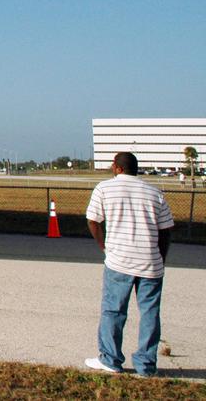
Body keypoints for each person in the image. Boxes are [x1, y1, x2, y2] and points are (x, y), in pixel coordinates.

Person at [84, 151, 174, 376]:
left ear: (117, 167)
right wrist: (160, 256)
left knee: (114, 310)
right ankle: (146, 365)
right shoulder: (155, 193)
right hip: (151, 262)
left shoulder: (104, 188)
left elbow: (93, 220)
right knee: (150, 313)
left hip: (119, 261)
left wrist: (104, 246)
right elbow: (166, 230)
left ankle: (111, 359)